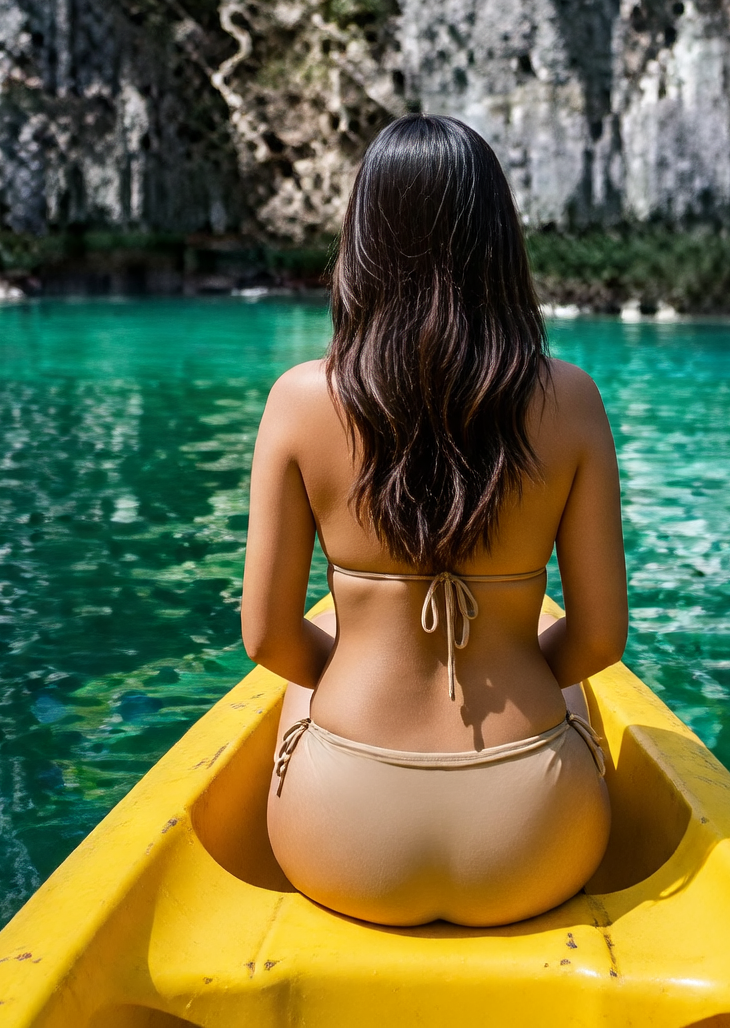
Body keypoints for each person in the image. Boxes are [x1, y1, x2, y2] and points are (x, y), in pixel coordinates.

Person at [238, 114, 628, 927]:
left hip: (343, 841)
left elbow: (269, 639)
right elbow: (597, 640)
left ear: (363, 240)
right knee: (579, 697)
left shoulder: (301, 401)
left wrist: (353, 682)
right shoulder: (573, 401)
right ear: (500, 245)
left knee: (302, 696)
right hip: (535, 839)